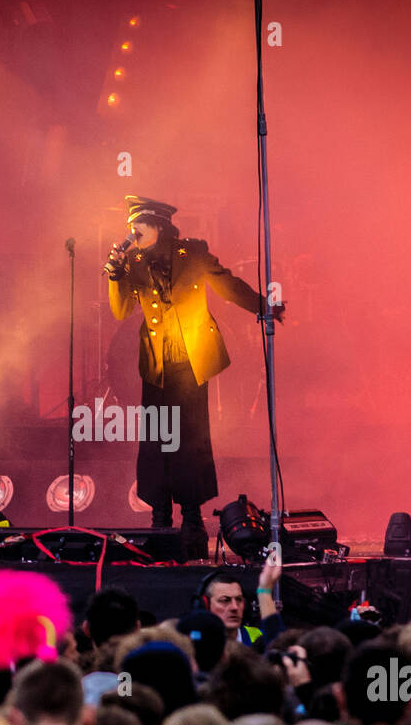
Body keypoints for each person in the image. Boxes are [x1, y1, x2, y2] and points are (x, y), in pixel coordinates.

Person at [105, 196, 282, 560]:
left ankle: (191, 518)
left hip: (190, 362)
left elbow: (227, 285)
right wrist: (114, 275)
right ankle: (159, 517)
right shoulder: (133, 261)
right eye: (130, 227)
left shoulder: (193, 253)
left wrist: (263, 307)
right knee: (156, 442)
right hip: (156, 365)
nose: (132, 233)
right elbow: (122, 309)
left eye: (138, 226)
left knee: (190, 441)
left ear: (159, 226)